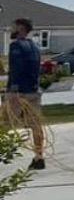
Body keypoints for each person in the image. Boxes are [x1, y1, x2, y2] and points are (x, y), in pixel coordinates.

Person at [5, 17, 45, 169]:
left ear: (21, 28)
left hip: (18, 92)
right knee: (36, 125)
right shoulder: (34, 47)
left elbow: (17, 67)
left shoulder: (16, 46)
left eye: (13, 26)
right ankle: (39, 156)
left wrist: (14, 89)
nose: (11, 28)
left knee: (4, 121)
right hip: (33, 90)